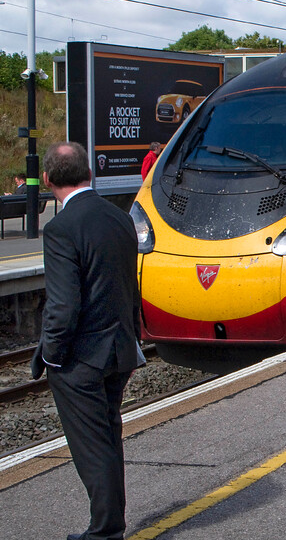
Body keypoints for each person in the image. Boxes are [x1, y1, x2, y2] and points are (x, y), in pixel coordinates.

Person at [30, 141, 143, 540]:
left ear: (46, 180)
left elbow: (63, 304)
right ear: (88, 174)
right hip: (120, 349)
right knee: (108, 437)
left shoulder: (60, 229)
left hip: (82, 359)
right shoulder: (119, 218)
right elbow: (128, 282)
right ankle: (111, 522)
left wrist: (53, 355)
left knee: (92, 446)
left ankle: (106, 530)